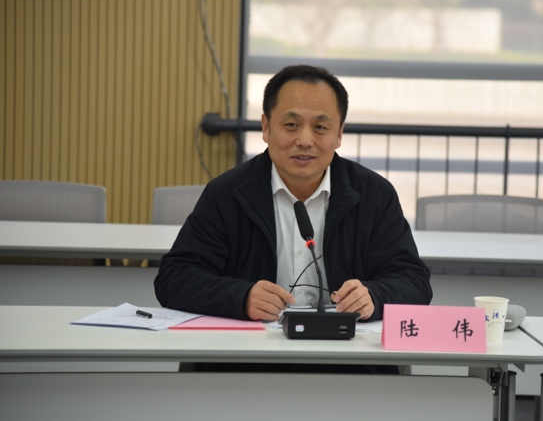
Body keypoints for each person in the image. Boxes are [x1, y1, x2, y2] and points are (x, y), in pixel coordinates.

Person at [154, 65, 432, 372]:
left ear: (339, 133)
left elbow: (414, 281)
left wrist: (374, 297)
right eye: (291, 124)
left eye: (320, 127)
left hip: (349, 364)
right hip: (247, 364)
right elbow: (175, 278)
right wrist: (241, 297)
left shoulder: (374, 195)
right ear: (266, 127)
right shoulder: (227, 193)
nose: (305, 140)